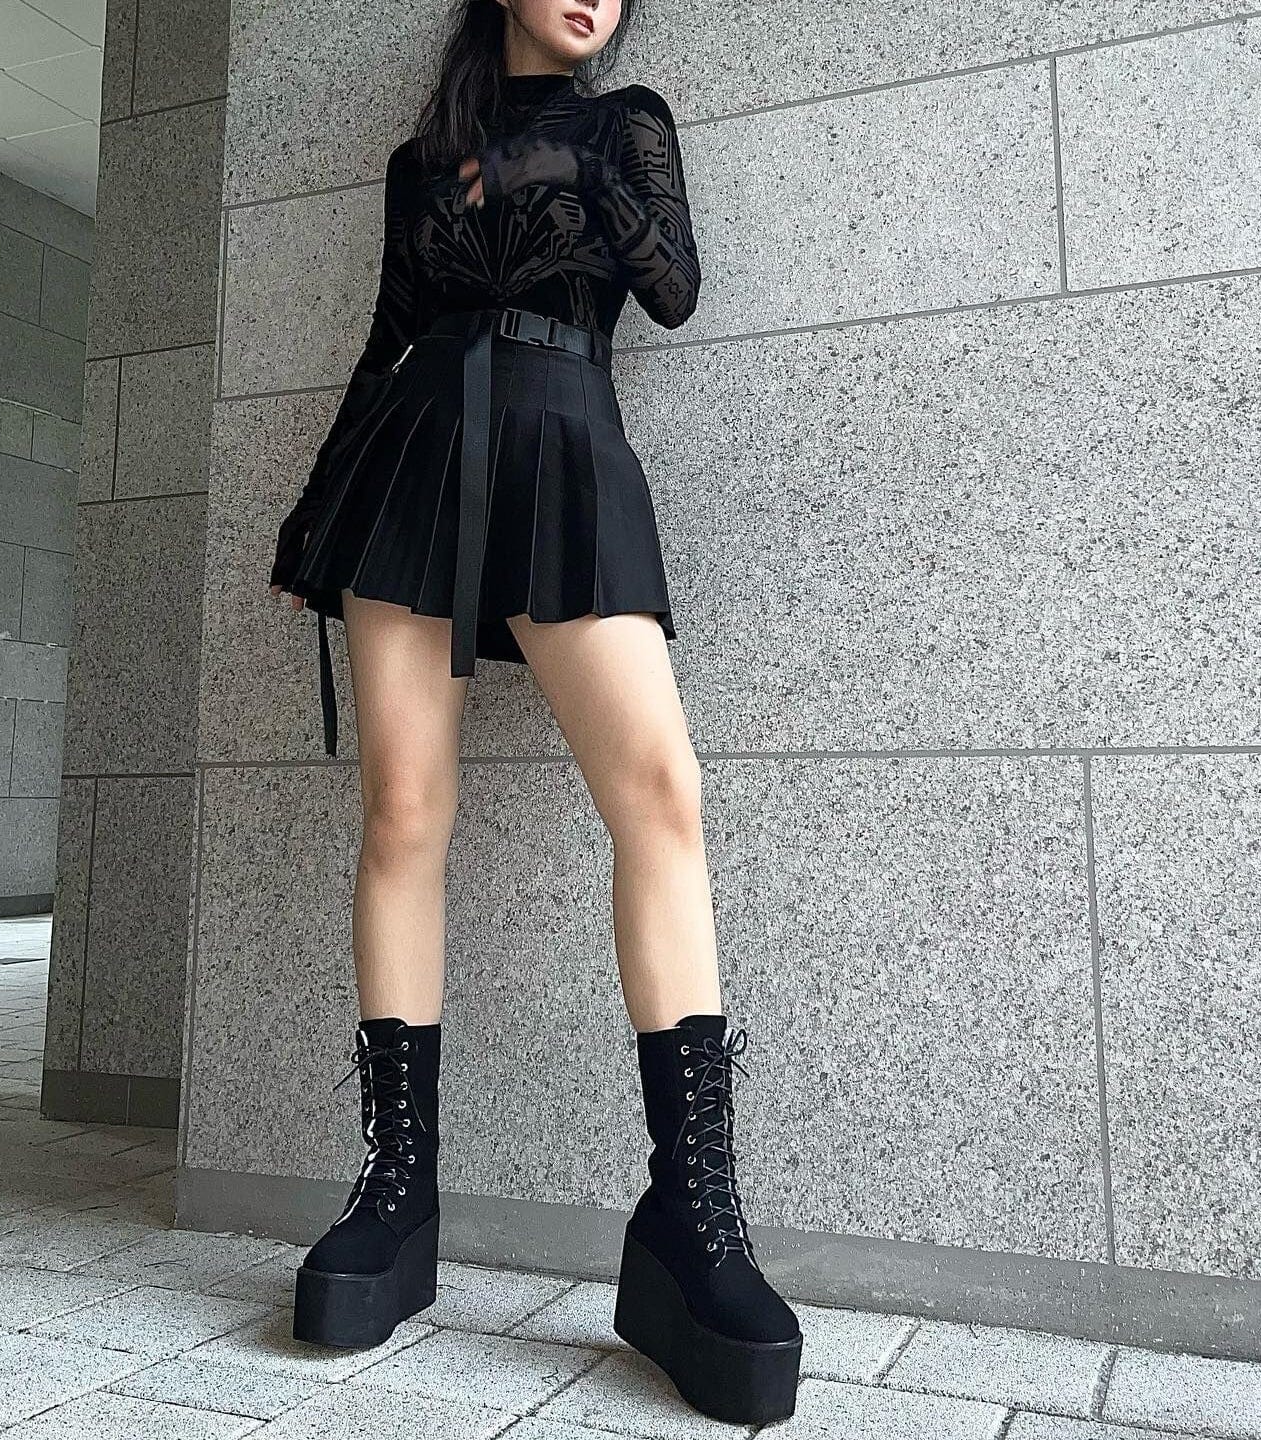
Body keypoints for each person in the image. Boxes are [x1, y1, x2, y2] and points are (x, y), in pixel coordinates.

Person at [267, 0, 803, 1423]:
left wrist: (575, 161)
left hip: (568, 443)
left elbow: (674, 289)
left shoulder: (629, 125)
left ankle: (692, 1219)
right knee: (402, 813)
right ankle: (395, 1195)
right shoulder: (420, 160)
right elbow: (385, 339)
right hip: (415, 453)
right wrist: (318, 513)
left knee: (662, 799)